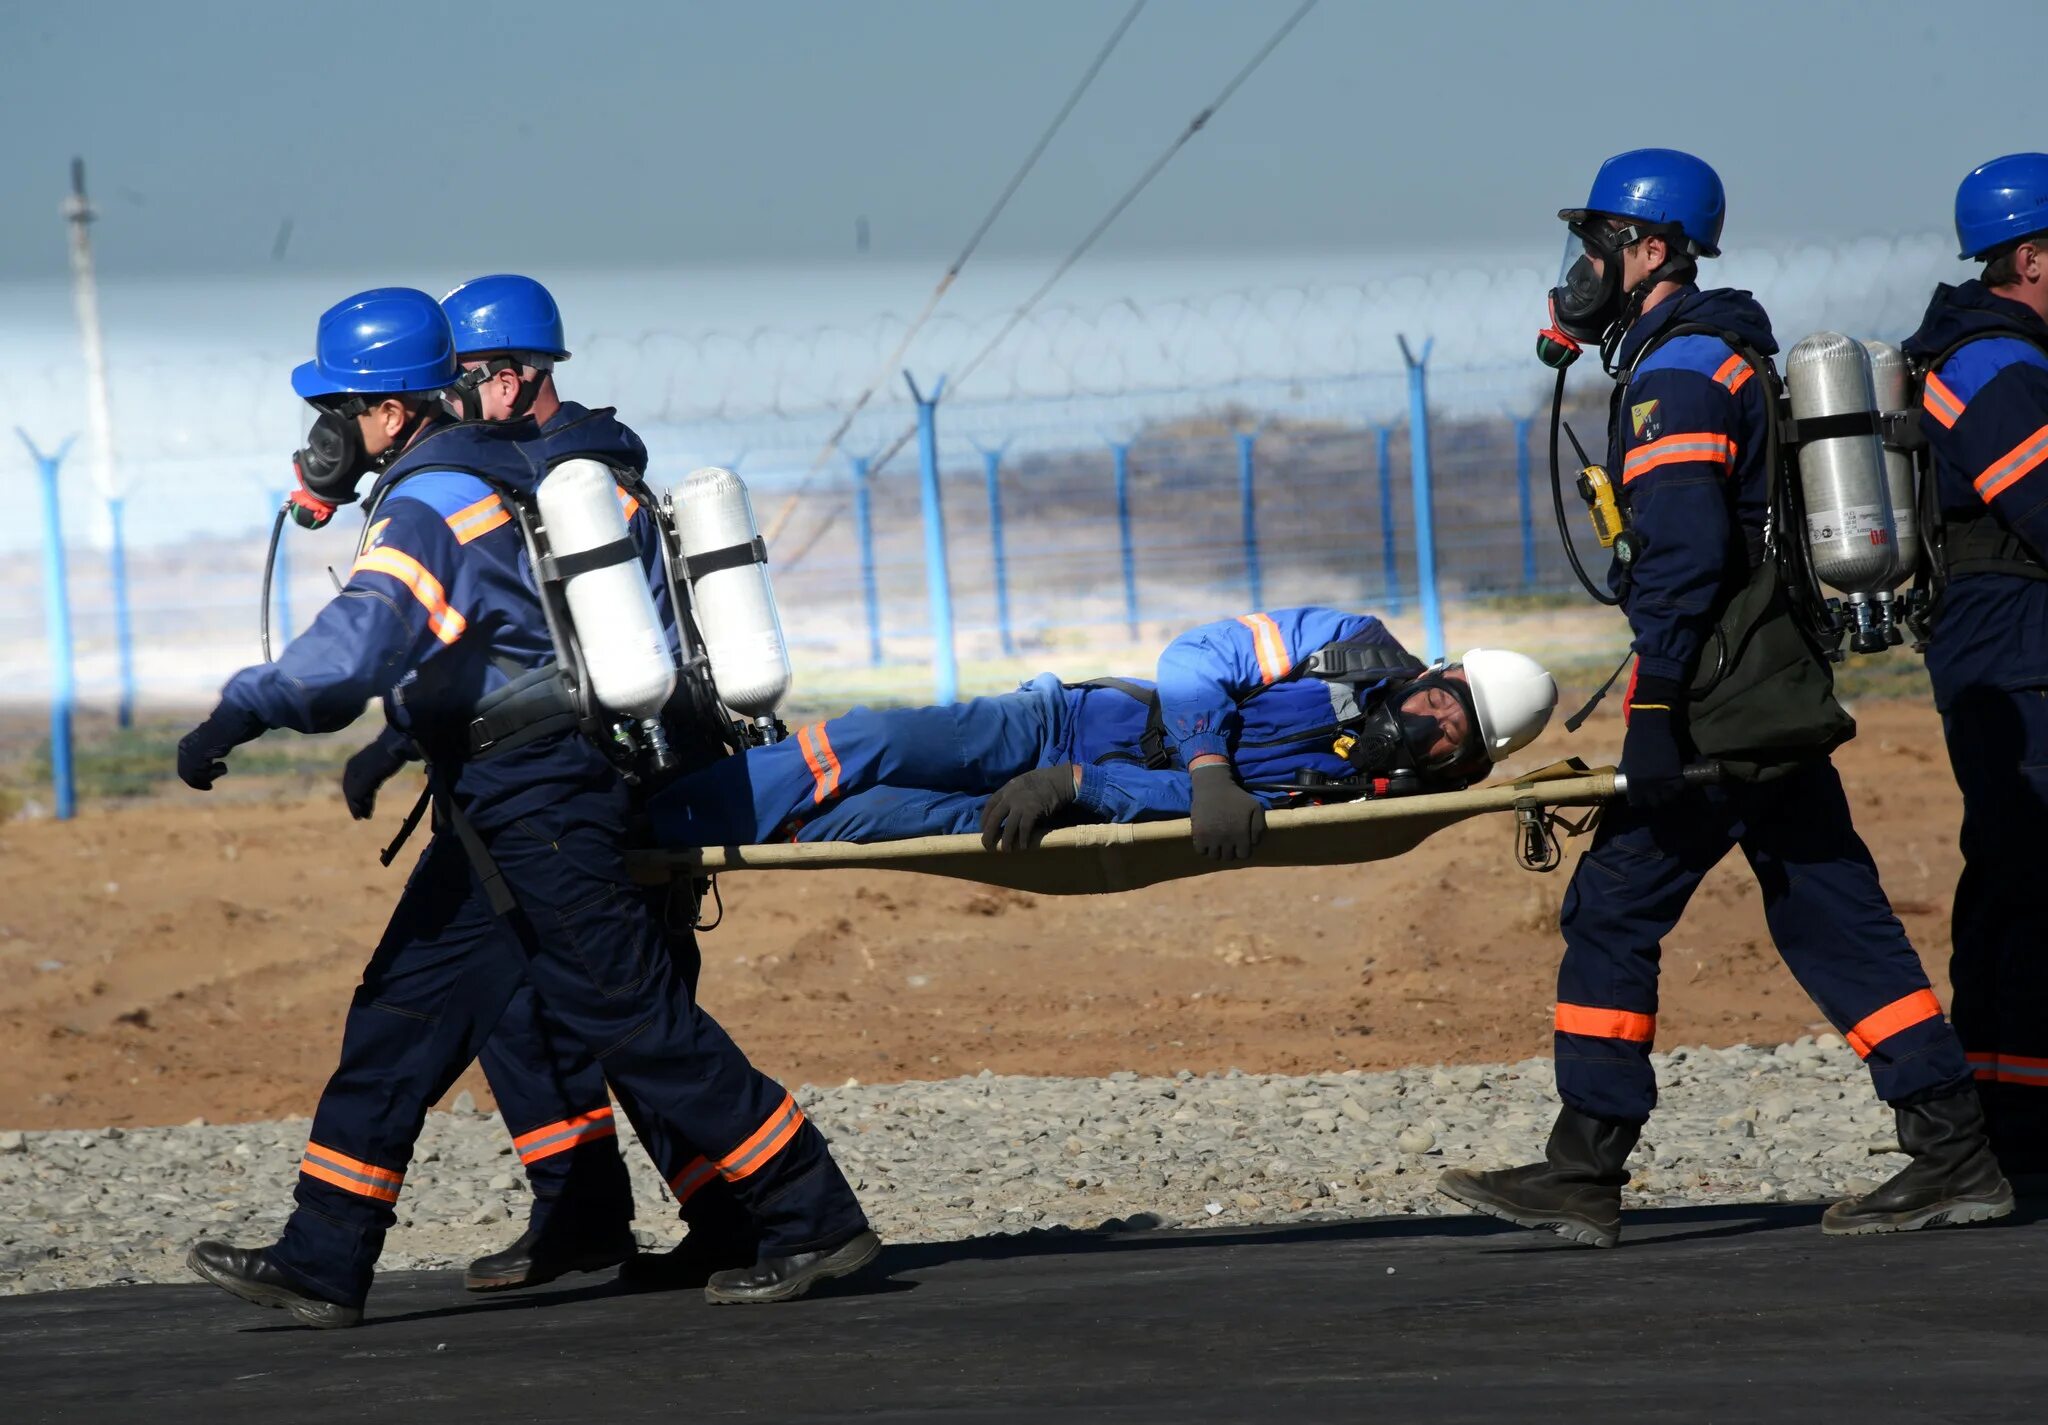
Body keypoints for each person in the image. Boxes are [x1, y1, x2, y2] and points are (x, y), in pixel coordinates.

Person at [176, 287, 876, 1328]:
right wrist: (406, 737)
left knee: (627, 1012)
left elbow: (351, 653)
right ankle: (322, 1257)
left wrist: (238, 709)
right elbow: (495, 644)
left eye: (338, 404)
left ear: (387, 406)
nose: (326, 431)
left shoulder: (429, 501)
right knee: (401, 1013)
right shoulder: (497, 480)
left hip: (539, 794)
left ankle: (809, 1211)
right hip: (499, 790)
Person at [1437, 149, 2011, 1247]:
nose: (1576, 272)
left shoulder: (1680, 374)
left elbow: (1684, 557)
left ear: (1647, 251)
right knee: (1831, 919)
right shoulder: (1701, 352)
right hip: (1762, 686)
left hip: (1719, 695)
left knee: (1615, 905)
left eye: (1592, 247)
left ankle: (1583, 1164)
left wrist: (1653, 711)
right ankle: (1950, 1150)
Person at [339, 274, 760, 1295]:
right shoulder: (536, 474)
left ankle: (743, 1213)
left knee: (627, 1011)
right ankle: (580, 1213)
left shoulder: (574, 483)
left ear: (515, 376)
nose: (451, 399)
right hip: (536, 783)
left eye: (467, 378)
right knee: (524, 1013)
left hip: (602, 779)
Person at [650, 607, 1558, 855]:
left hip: (1084, 799)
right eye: (1443, 702)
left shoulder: (1354, 794)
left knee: (859, 821)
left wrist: (1078, 791)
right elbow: (1198, 657)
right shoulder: (1346, 643)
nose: (1432, 728)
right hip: (1056, 719)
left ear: (1468, 763)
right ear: (1436, 672)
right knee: (866, 741)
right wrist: (1211, 763)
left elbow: (1192, 814)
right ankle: (655, 824)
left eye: (1455, 739)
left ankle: (699, 821)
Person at [1903, 154, 2048, 1175]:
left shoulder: (1989, 354)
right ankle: (2027, 1128)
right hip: (2016, 656)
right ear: (2030, 256)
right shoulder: (1991, 367)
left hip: (2000, 653)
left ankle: (2002, 1116)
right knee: (2035, 885)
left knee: (2011, 880)